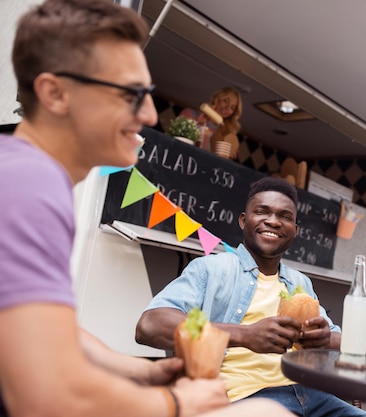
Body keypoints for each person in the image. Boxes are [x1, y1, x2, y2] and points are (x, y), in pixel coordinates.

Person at [0, 1, 292, 417]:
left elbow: (48, 333)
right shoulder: (30, 183)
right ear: (55, 94)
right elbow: (45, 392)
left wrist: (140, 373)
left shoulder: (23, 171)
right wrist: (173, 402)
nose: (151, 115)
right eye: (130, 95)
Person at [135, 177, 366, 417]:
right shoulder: (211, 268)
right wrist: (245, 334)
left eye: (285, 216)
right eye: (262, 212)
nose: (273, 221)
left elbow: (342, 341)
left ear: (295, 231)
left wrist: (324, 339)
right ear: (243, 220)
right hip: (242, 399)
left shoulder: (300, 283)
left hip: (312, 396)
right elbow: (149, 325)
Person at [178, 87, 242, 158]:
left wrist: (229, 155)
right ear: (217, 99)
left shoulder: (224, 135)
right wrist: (196, 125)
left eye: (232, 108)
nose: (227, 108)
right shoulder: (190, 114)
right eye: (226, 101)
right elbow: (176, 140)